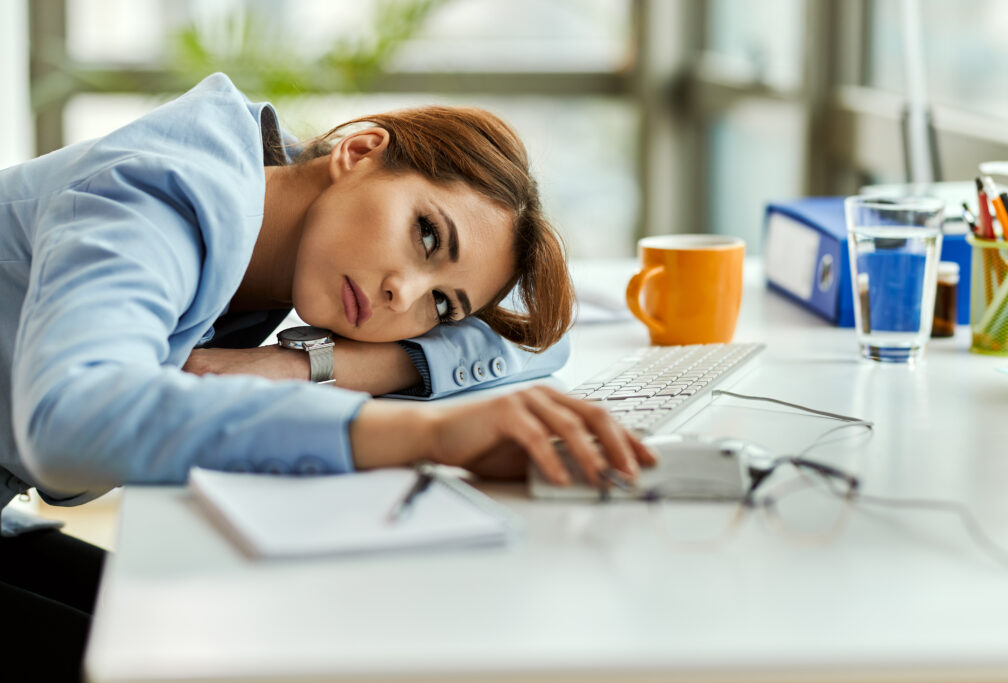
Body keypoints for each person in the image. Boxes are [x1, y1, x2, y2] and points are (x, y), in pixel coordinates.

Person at [0, 73, 653, 680]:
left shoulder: (280, 196)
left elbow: (542, 336)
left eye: (443, 304)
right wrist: (424, 431)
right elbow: (70, 417)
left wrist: (318, 363)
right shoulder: (155, 195)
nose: (404, 294)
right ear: (362, 149)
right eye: (426, 236)